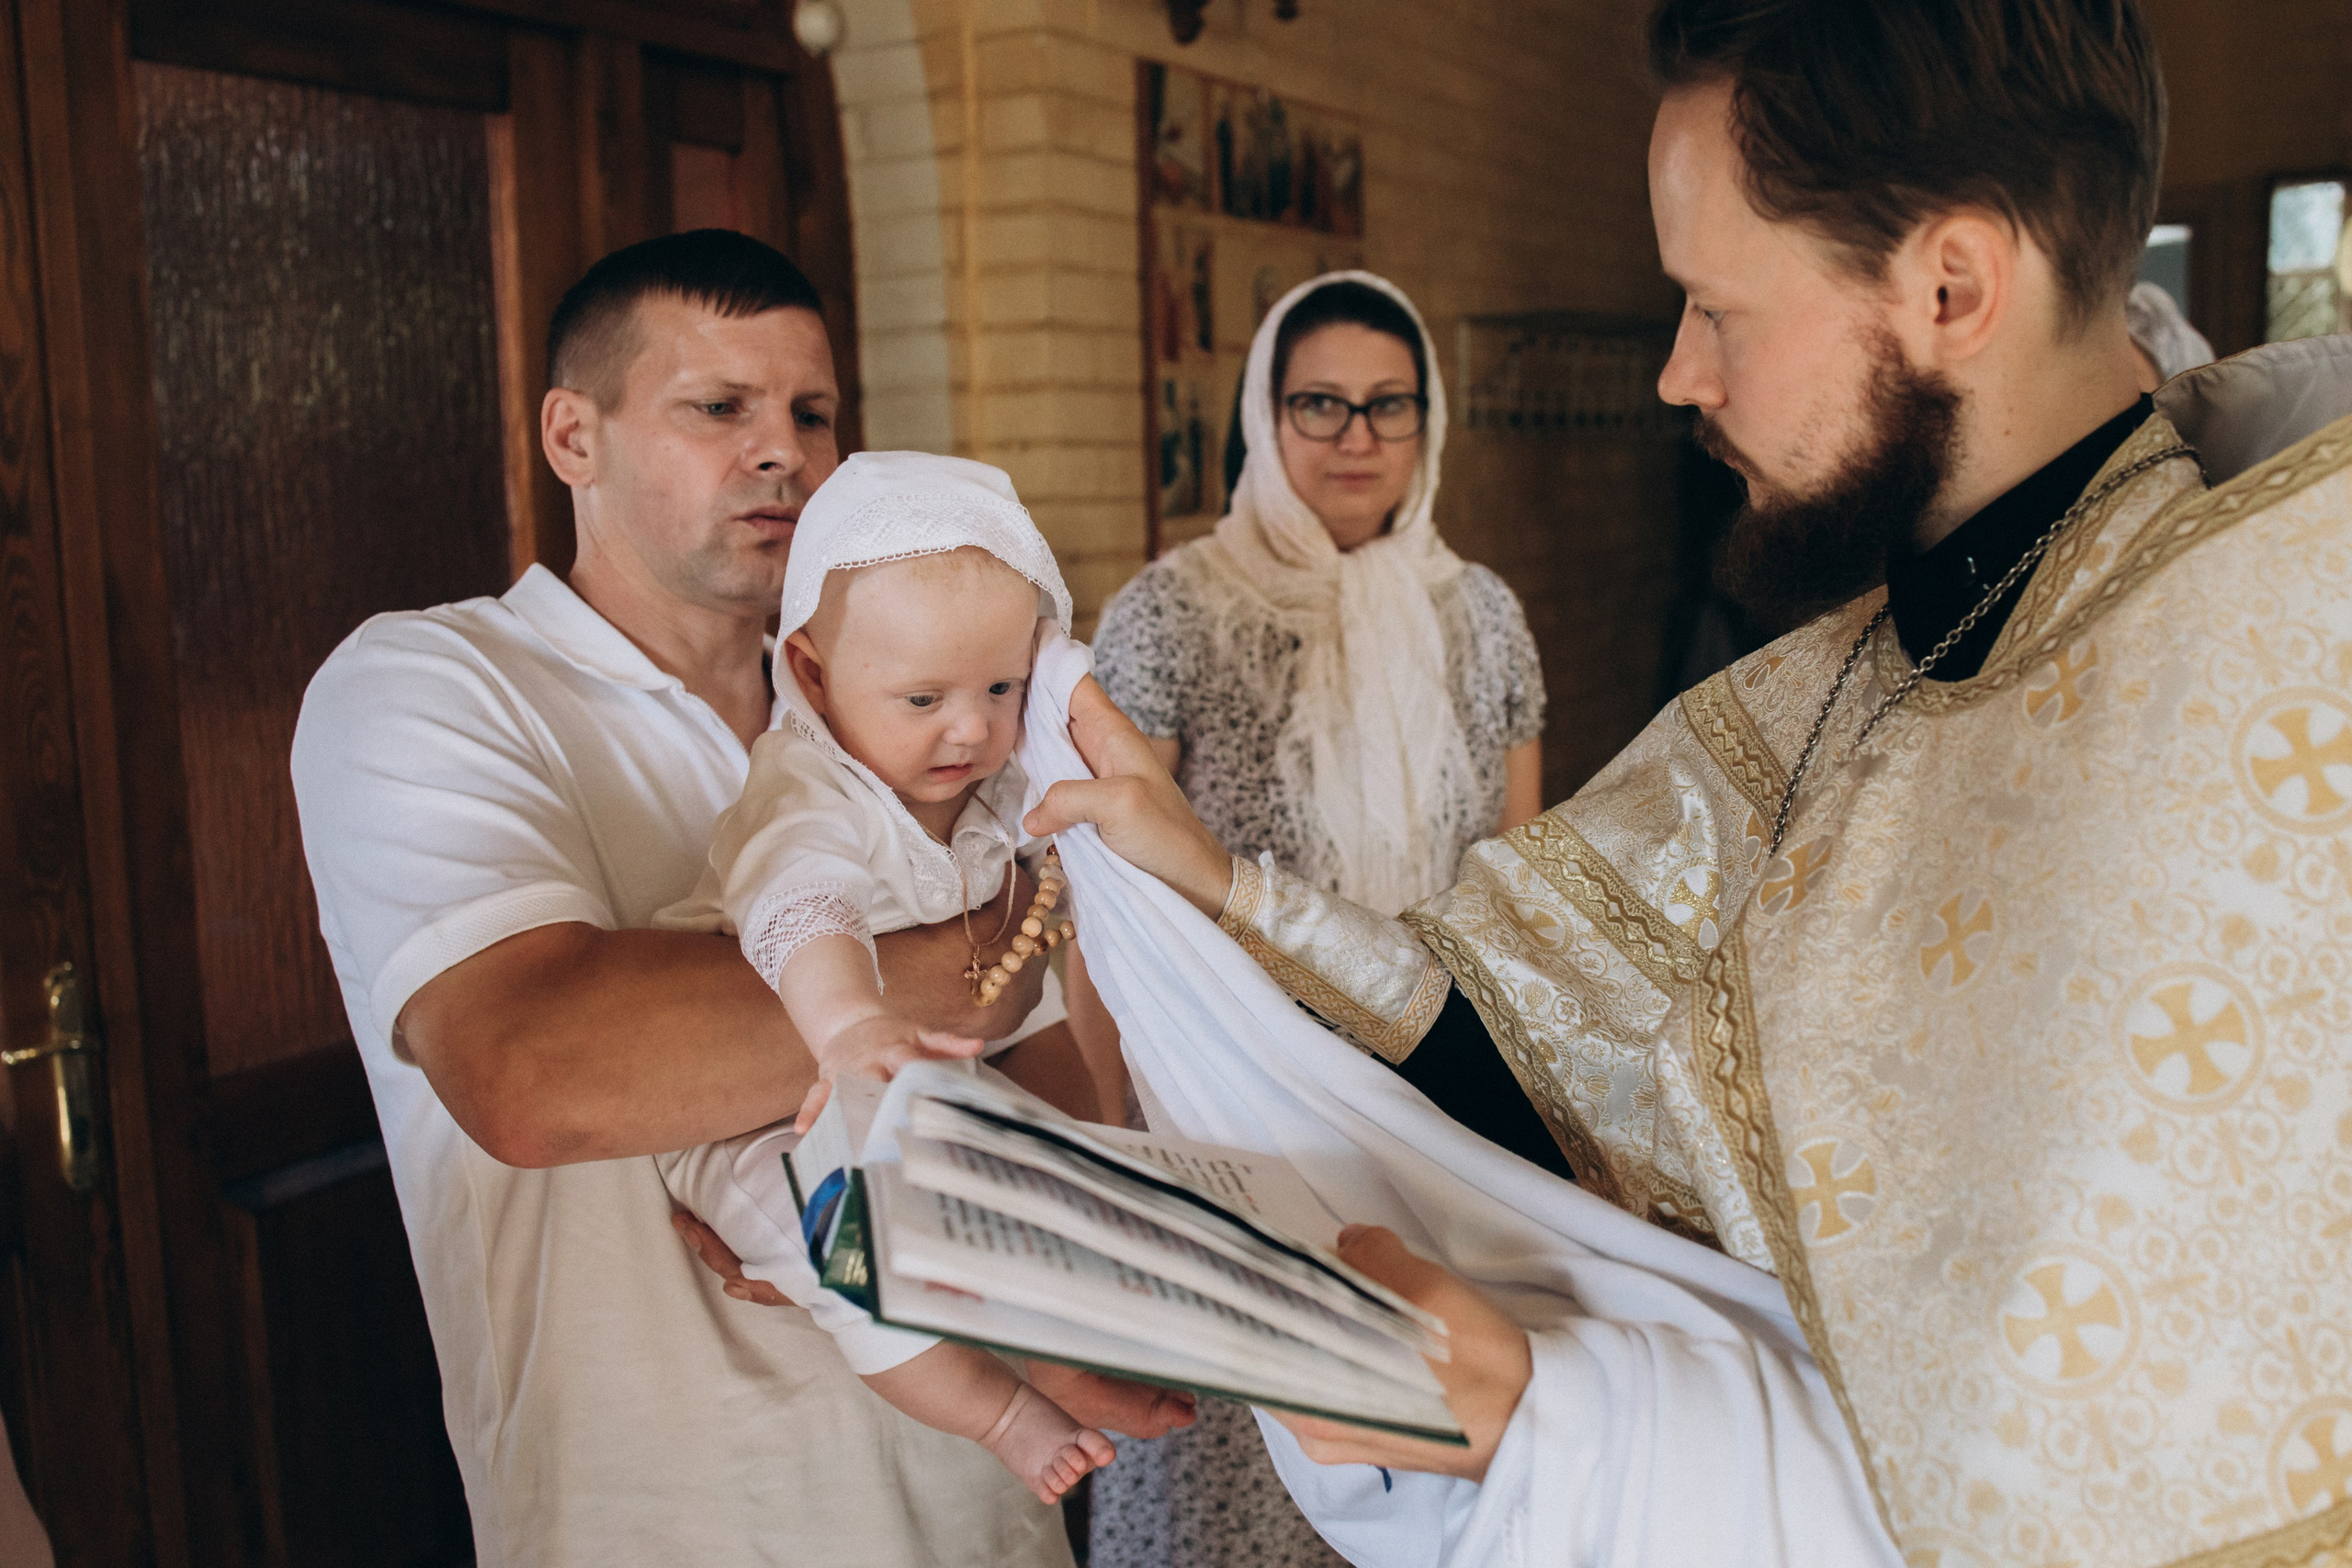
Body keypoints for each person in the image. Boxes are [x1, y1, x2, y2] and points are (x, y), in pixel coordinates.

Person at [1023, 2, 2352, 1565]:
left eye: (1717, 307)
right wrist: (1209, 890)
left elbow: (2079, 1459)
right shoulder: (1840, 679)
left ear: (1951, 287)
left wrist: (1570, 1427)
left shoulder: (2278, 693)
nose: (1675, 374)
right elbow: (1530, 1054)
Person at [290, 231, 1185, 1568]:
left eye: (812, 413)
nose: (784, 453)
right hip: (665, 1518)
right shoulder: (433, 685)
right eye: (720, 408)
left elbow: (1067, 1099)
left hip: (986, 1501)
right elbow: (542, 1070)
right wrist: (998, 943)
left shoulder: (914, 708)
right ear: (573, 435)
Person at [1085, 271, 1544, 1568]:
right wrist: (1132, 1143)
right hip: (1235, 1110)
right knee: (1239, 1471)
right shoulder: (1175, 611)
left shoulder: (1483, 615)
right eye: (1320, 404)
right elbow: (1106, 903)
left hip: (1442, 1105)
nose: (1357, 437)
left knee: (1431, 1452)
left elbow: (1522, 888)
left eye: (1389, 405)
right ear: (1264, 416)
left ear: (1427, 420)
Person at [652, 452, 1116, 1505]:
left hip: (910, 1085)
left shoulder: (992, 795)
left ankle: (1067, 1344)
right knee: (845, 1243)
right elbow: (800, 905)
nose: (970, 727)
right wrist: (849, 1024)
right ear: (814, 676)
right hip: (754, 1113)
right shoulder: (808, 787)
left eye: (1001, 688)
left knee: (1043, 1194)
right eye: (922, 697)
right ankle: (1004, 1413)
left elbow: (1023, 991)